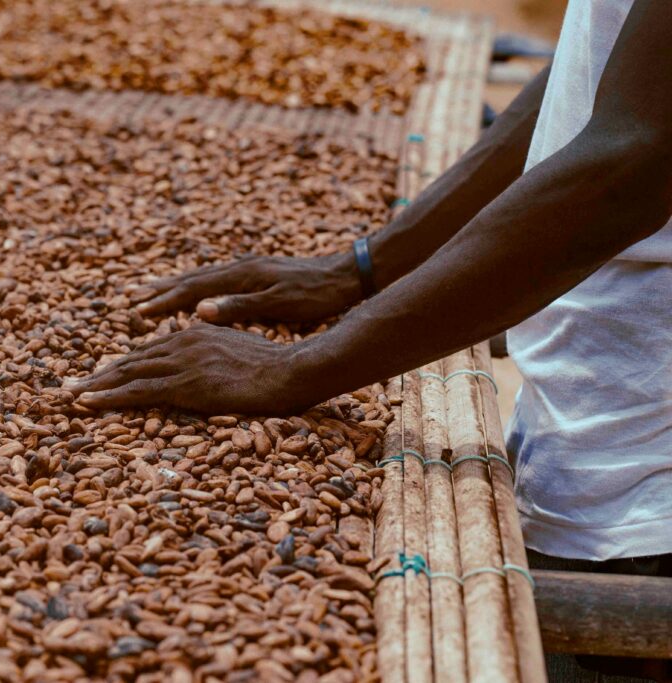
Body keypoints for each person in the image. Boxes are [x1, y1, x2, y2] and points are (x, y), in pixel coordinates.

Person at [66, 1, 671, 680]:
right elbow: (587, 74)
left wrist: (298, 368)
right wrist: (365, 265)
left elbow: (634, 159)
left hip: (652, 507)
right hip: (597, 452)